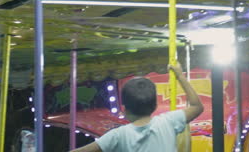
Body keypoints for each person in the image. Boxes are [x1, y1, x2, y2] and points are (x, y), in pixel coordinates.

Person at [70, 63, 204, 152]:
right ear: (155, 105)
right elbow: (197, 106)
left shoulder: (118, 135)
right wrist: (180, 76)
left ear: (124, 108)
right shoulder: (168, 122)